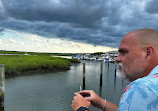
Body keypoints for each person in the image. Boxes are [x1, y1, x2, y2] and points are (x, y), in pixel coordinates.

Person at [71, 28, 158, 111]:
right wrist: (101, 103)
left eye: (124, 52)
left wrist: (81, 108)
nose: (116, 59)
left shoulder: (142, 87)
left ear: (147, 53)